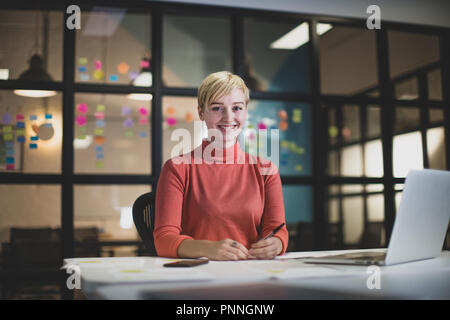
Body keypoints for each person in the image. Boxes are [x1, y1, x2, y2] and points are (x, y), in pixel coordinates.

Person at [154, 71, 288, 260]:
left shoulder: (266, 170)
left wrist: (276, 244)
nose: (228, 117)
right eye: (217, 108)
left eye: (237, 108)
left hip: (251, 274)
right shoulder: (178, 168)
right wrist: (208, 249)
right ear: (201, 112)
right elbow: (164, 240)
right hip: (196, 277)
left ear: (245, 112)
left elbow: (278, 231)